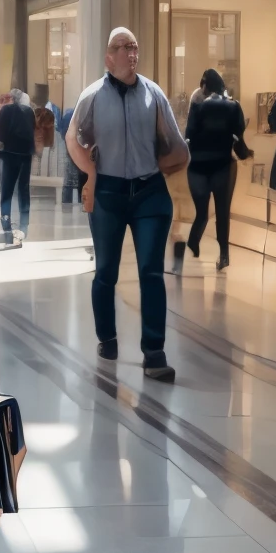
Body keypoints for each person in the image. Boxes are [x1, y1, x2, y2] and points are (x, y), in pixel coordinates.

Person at [68, 27, 188, 382]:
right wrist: (90, 173)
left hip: (150, 192)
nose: (130, 53)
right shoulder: (92, 96)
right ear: (109, 57)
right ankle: (107, 336)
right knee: (106, 272)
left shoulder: (153, 94)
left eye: (134, 47)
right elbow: (73, 138)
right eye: (122, 48)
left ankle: (154, 352)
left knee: (151, 271)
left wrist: (174, 167)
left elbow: (174, 141)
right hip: (109, 193)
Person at [174, 68, 252, 275]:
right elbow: (238, 138)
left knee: (201, 214)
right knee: (222, 212)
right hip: (223, 166)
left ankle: (192, 247)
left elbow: (188, 136)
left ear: (205, 86)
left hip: (198, 168)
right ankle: (224, 254)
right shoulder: (234, 107)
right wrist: (244, 153)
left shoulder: (198, 108)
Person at [0, 88, 36, 240]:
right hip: (26, 154)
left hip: (9, 154)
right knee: (23, 191)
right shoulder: (29, 111)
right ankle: (24, 226)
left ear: (11, 98)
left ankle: (6, 226)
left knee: (7, 192)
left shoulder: (5, 110)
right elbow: (33, 129)